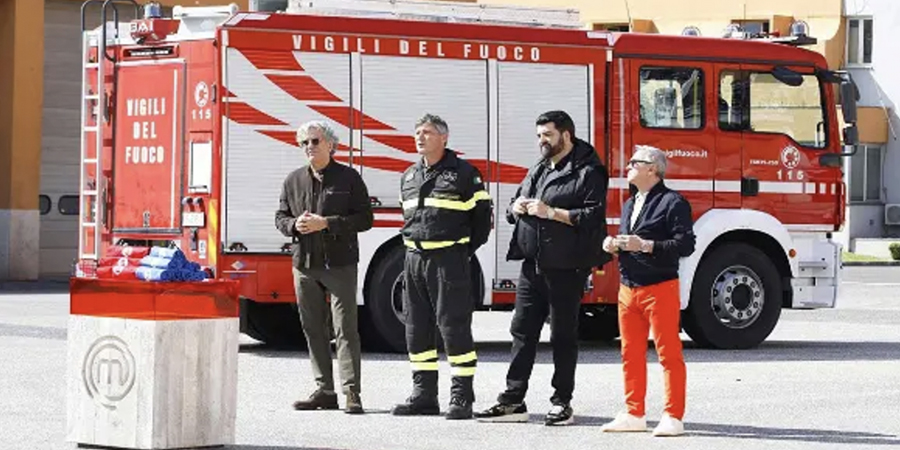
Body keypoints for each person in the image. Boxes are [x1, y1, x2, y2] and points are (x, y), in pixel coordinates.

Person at [474, 110, 611, 426]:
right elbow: (516, 202)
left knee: (563, 336)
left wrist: (551, 212)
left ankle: (562, 402)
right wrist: (515, 207)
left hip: (567, 267)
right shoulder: (539, 167)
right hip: (532, 265)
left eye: (547, 135)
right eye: (538, 135)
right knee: (521, 331)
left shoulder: (589, 171)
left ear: (566, 135)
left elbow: (592, 216)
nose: (542, 141)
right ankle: (512, 401)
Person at [390, 114, 492, 420]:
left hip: (449, 261)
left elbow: (481, 222)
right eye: (417, 132)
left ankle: (461, 398)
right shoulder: (409, 176)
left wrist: (459, 252)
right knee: (416, 328)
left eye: (428, 133)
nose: (420, 138)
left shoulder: (464, 174)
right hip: (413, 260)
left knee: (453, 327)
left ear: (444, 138)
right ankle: (424, 396)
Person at [275, 120, 374, 415]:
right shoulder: (293, 180)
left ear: (330, 145)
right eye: (304, 142)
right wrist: (295, 225)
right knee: (312, 328)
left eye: (315, 141)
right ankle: (325, 390)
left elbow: (365, 219)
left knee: (345, 329)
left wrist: (327, 224)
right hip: (304, 264)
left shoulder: (349, 178)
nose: (309, 147)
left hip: (339, 264)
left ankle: (351, 392)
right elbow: (280, 217)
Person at [599, 144, 695, 436]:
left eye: (634, 163)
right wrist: (613, 244)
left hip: (660, 287)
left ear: (653, 169)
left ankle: (673, 415)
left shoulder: (673, 202)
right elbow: (630, 239)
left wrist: (646, 245)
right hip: (629, 288)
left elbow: (685, 245)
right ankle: (634, 412)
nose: (627, 166)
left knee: (668, 353)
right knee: (630, 353)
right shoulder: (631, 202)